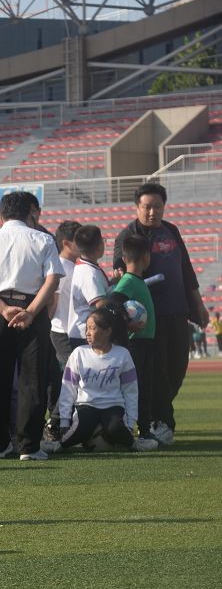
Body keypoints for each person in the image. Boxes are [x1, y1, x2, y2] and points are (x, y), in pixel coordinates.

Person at [0, 191, 63, 461]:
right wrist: (31, 312)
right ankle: (29, 446)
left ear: (1, 215)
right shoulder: (44, 239)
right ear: (30, 213)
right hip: (32, 309)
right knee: (32, 379)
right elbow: (53, 279)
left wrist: (2, 308)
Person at [111, 183, 207, 446]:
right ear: (137, 207)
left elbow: (186, 270)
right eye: (147, 207)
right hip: (149, 319)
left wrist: (198, 304)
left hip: (177, 311)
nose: (152, 212)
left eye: (157, 206)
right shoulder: (127, 236)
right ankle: (160, 421)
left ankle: (158, 415)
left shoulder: (171, 230)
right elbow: (120, 270)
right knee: (158, 372)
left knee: (178, 367)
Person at [58, 309, 153, 451]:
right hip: (86, 405)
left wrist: (130, 422)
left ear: (107, 331)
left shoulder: (122, 354)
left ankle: (134, 444)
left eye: (92, 328)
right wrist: (64, 420)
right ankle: (59, 444)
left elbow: (131, 391)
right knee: (82, 429)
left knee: (115, 429)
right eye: (87, 328)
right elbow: (68, 388)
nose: (87, 333)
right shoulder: (79, 353)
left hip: (113, 406)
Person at [111, 234, 157, 446]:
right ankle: (135, 430)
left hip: (145, 343)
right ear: (146, 258)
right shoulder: (128, 281)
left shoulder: (135, 281)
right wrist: (126, 324)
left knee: (145, 385)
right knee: (136, 388)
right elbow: (112, 303)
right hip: (136, 344)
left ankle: (145, 430)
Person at [43, 220, 81, 445]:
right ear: (66, 242)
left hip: (71, 331)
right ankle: (54, 423)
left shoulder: (75, 267)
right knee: (72, 378)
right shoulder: (60, 266)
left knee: (70, 378)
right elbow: (52, 300)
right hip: (61, 331)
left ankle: (62, 422)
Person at [67, 225, 108, 350]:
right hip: (86, 335)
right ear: (99, 245)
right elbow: (100, 303)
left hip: (83, 333)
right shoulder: (89, 272)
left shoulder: (84, 266)